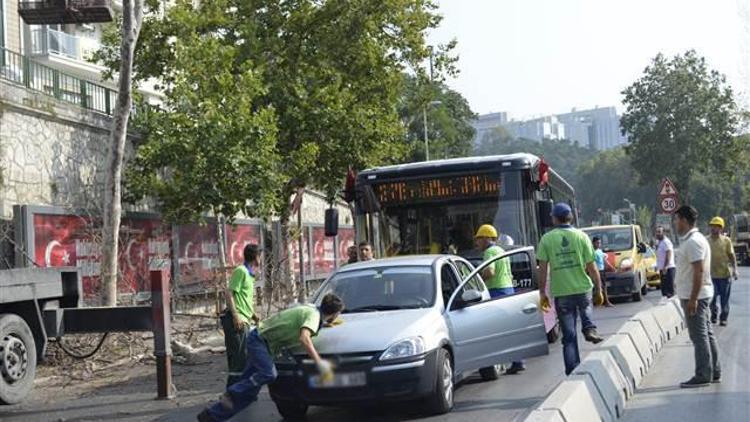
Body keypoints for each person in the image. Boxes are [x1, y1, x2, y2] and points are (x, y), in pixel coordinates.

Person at [198, 294, 345, 422]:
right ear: (334, 313)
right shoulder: (314, 316)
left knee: (248, 393)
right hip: (259, 341)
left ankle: (210, 416)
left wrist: (324, 325)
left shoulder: (312, 310)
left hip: (262, 342)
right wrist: (319, 362)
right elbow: (304, 338)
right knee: (268, 374)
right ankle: (231, 393)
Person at [537, 203, 604, 376]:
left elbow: (543, 269)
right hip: (582, 287)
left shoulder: (546, 239)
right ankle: (589, 328)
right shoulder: (581, 236)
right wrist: (599, 289)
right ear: (570, 217)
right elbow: (592, 267)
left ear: (554, 218)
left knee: (568, 337)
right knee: (586, 306)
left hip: (561, 292)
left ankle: (572, 370)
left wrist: (542, 293)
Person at [673, 205, 720, 388]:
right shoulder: (694, 239)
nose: (675, 223)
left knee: (699, 336)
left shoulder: (693, 242)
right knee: (706, 334)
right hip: (698, 295)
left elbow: (698, 272)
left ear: (684, 220)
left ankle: (703, 374)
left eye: (677, 219)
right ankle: (714, 371)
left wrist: (692, 299)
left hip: (696, 296)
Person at [474, 224, 525, 375]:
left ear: (487, 238)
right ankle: (518, 361)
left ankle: (500, 360)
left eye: (479, 239)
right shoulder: (501, 250)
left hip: (496, 292)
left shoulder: (489, 252)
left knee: (496, 331)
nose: (477, 243)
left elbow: (490, 271)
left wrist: (477, 280)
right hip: (508, 290)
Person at [221, 244, 261, 387]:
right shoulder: (241, 271)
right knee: (238, 359)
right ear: (256, 257)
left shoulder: (250, 275)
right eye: (259, 255)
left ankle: (240, 390)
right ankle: (232, 393)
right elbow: (229, 293)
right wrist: (236, 315)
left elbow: (243, 298)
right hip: (237, 321)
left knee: (245, 357)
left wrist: (253, 314)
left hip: (245, 320)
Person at [707, 216, 738, 326]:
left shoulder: (726, 241)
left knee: (724, 299)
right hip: (711, 276)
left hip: (725, 275)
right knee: (712, 297)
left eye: (716, 226)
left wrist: (735, 269)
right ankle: (713, 315)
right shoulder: (706, 241)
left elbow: (732, 256)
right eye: (712, 226)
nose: (713, 228)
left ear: (721, 228)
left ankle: (723, 318)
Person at [592, 236, 615, 307]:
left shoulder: (599, 251)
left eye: (599, 243)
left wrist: (611, 267)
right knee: (595, 287)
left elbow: (604, 260)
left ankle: (606, 302)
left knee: (604, 286)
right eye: (597, 243)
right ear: (593, 243)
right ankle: (596, 302)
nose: (599, 244)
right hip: (595, 271)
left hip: (602, 271)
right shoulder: (592, 252)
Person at [655, 227, 676, 298]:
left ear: (663, 233)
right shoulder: (659, 242)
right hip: (663, 269)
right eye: (656, 232)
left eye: (659, 232)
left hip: (668, 269)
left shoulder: (666, 242)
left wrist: (665, 266)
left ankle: (671, 306)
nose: (657, 234)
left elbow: (669, 254)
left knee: (670, 291)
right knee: (664, 291)